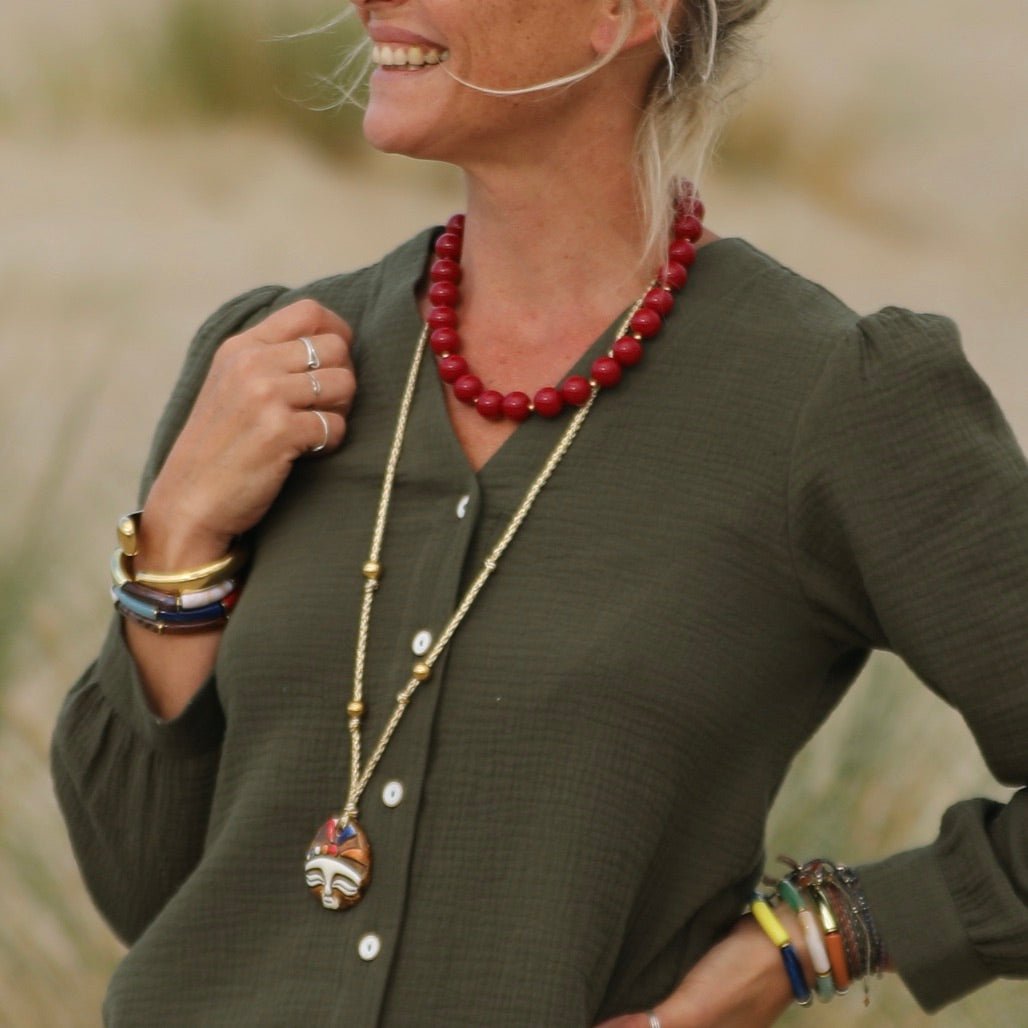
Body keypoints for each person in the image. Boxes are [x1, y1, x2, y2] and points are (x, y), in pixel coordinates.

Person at [52, 0, 1028, 1025]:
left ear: (620, 14)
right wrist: (181, 532)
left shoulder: (829, 400)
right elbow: (149, 893)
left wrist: (814, 939)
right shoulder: (270, 369)